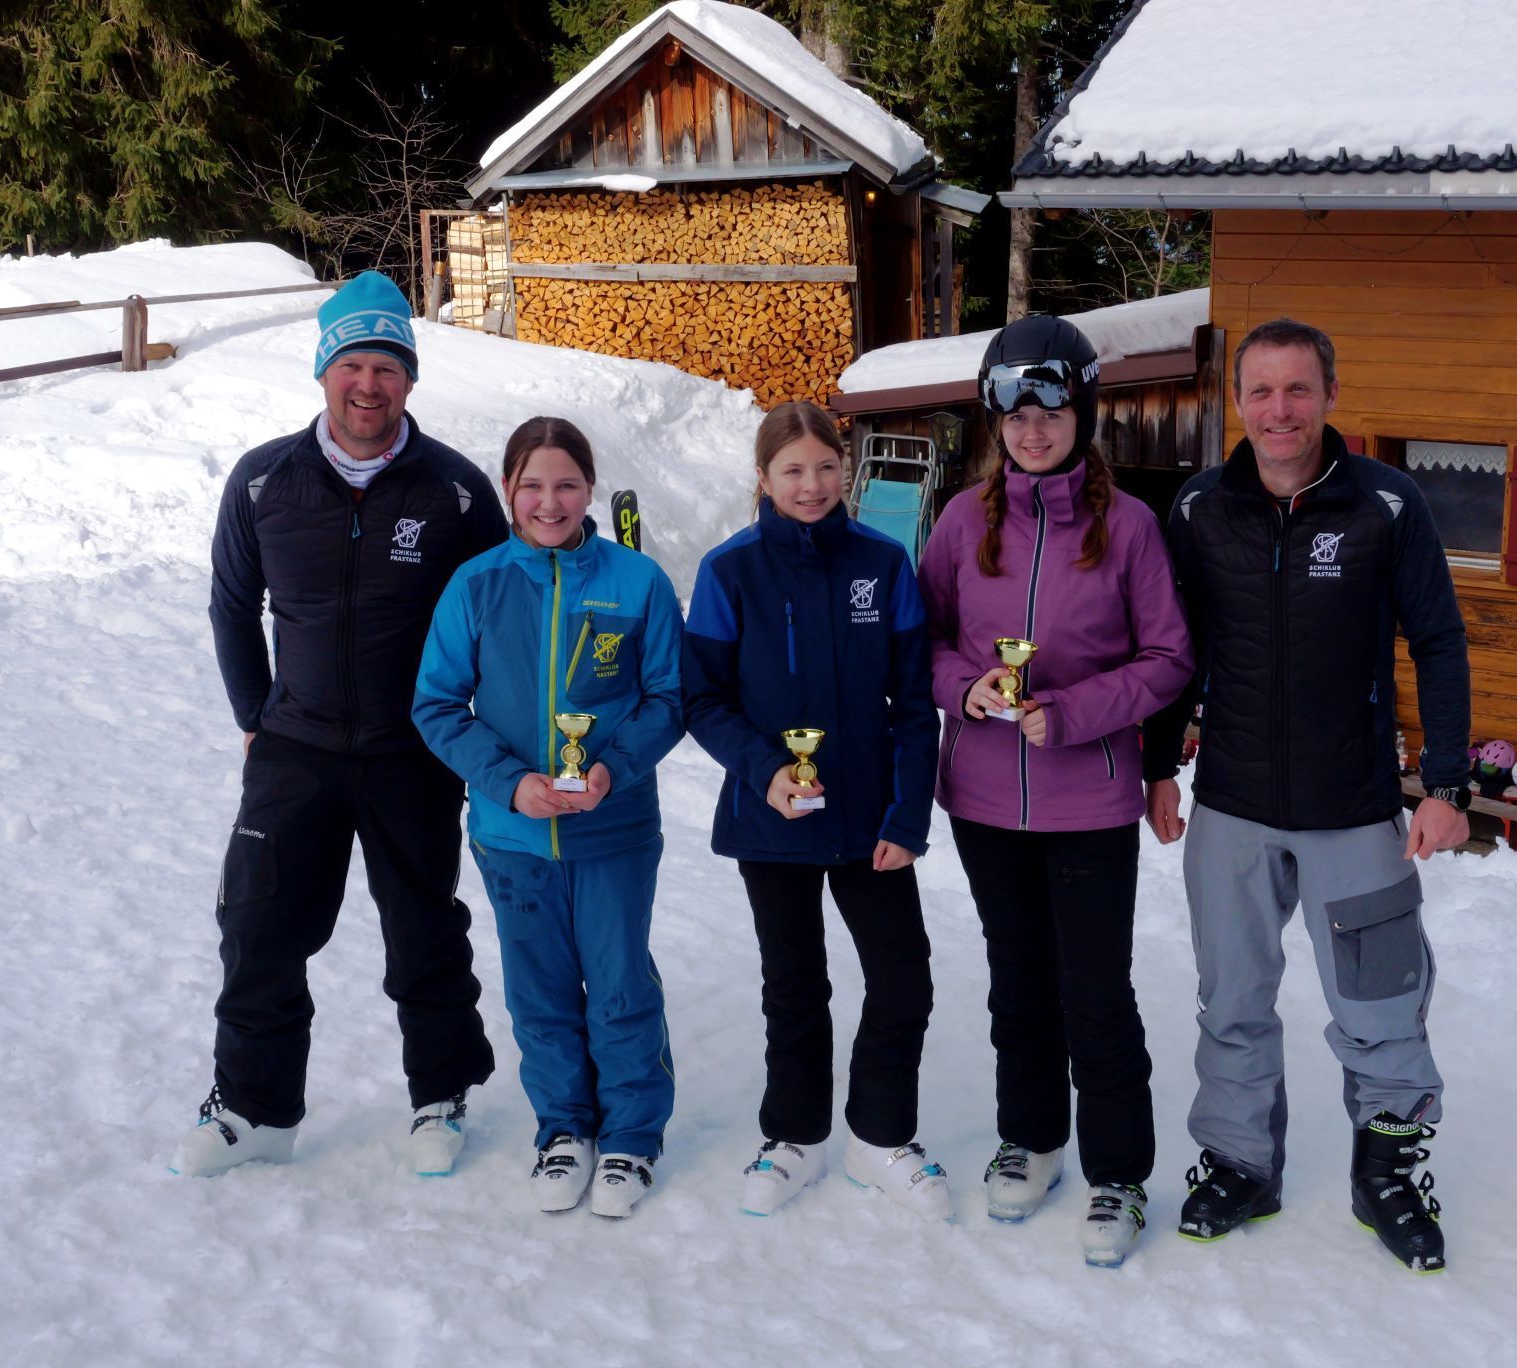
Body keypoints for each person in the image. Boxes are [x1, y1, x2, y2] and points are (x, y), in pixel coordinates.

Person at [1143, 316, 1470, 1274]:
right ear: (1236, 401)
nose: (1279, 409)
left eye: (1297, 389)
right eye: (1261, 390)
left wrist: (1446, 782)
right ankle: (1242, 1162)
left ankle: (1388, 1171)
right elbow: (1173, 649)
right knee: (1232, 997)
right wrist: (1161, 765)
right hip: (1232, 805)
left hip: (1354, 808)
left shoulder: (1388, 504)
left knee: (1383, 998)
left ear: (1330, 394)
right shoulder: (1200, 508)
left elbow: (1439, 641)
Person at [173, 271, 505, 1178]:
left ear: (410, 379)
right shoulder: (263, 481)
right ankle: (253, 1108)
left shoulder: (457, 492)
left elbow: (499, 616)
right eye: (353, 364)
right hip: (296, 749)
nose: (369, 384)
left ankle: (441, 1093)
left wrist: (473, 731)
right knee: (259, 926)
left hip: (413, 752)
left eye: (388, 367)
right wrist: (254, 716)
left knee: (424, 929)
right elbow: (232, 607)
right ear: (324, 371)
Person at [919, 315, 1194, 1268]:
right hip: (986, 798)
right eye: (1013, 411)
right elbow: (926, 640)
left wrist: (1073, 713)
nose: (1032, 429)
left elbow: (1169, 658)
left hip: (1091, 800)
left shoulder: (1131, 527)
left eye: (1050, 409)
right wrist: (967, 687)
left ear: (1083, 412)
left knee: (1096, 991)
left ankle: (1118, 1171)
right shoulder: (963, 521)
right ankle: (1031, 1138)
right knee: (1018, 981)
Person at [412, 417, 683, 1218]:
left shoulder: (637, 582)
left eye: (566, 483)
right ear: (508, 490)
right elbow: (436, 704)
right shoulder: (477, 584)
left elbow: (669, 698)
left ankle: (631, 1134)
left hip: (613, 829)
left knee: (620, 984)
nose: (549, 501)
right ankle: (564, 1126)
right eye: (531, 485)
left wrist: (614, 767)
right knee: (540, 992)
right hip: (513, 835)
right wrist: (509, 784)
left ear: (590, 489)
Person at [682, 402, 946, 1221]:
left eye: (827, 466)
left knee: (902, 978)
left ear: (847, 469)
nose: (812, 484)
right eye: (792, 469)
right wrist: (765, 772)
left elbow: (915, 704)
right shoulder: (729, 571)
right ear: (763, 477)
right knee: (794, 984)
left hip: (870, 820)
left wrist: (907, 817)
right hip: (774, 820)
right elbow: (703, 699)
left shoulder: (883, 563)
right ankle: (794, 1135)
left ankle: (880, 1136)